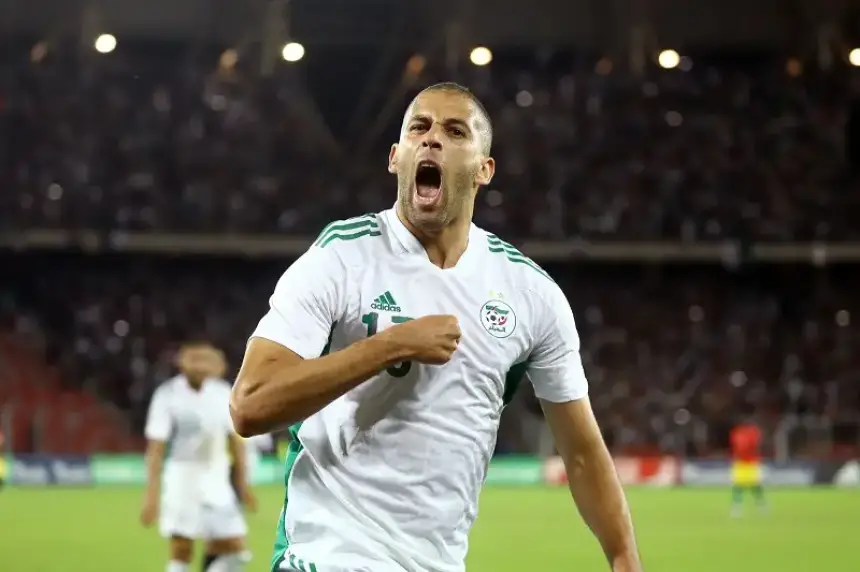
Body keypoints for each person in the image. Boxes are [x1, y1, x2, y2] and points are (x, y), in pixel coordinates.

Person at [230, 82, 642, 572]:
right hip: (329, 553)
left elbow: (581, 452)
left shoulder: (532, 295)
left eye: (455, 131)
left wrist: (624, 557)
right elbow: (250, 405)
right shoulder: (342, 255)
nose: (432, 139)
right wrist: (389, 345)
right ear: (395, 157)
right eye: (418, 127)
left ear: (484, 169)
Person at [141, 341, 257, 572]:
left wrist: (242, 484)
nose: (201, 368)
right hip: (181, 477)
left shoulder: (223, 392)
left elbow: (236, 442)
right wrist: (151, 495)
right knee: (182, 549)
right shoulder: (167, 395)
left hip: (216, 476)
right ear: (183, 366)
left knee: (235, 547)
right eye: (195, 362)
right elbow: (156, 448)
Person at [730, 418, 766, 517]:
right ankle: (737, 507)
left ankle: (761, 505)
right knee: (738, 486)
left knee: (756, 485)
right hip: (741, 463)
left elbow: (754, 445)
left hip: (752, 462)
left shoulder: (754, 432)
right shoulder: (737, 432)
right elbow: (739, 446)